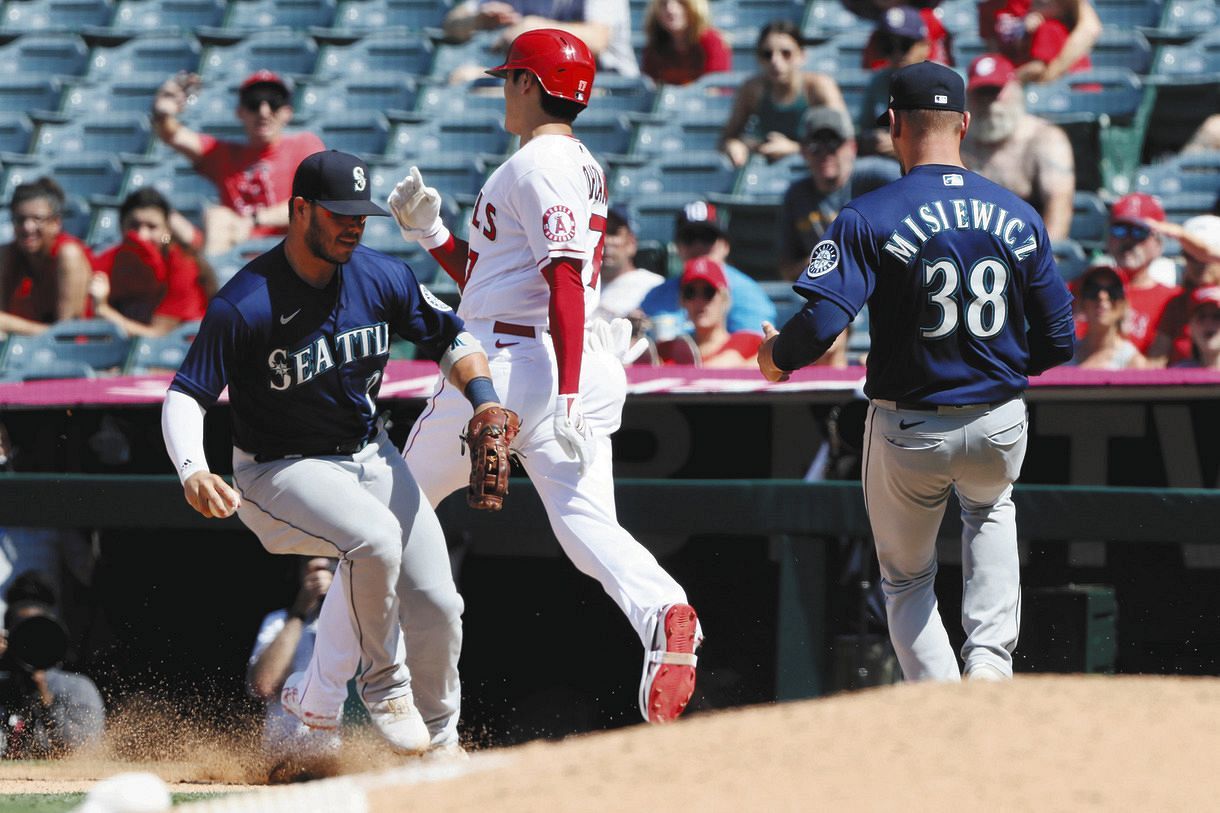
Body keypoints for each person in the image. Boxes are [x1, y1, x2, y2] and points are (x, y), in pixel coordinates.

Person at [387, 29, 703, 724]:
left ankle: (322, 697)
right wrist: (434, 235)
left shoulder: (538, 165)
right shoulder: (580, 164)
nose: (505, 88)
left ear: (530, 85)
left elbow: (561, 280)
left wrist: (559, 393)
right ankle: (666, 609)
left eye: (510, 78)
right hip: (566, 356)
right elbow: (504, 280)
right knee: (586, 523)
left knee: (386, 511)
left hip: (517, 363)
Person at [161, 149, 509, 754]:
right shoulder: (246, 301)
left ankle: (441, 744)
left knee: (440, 603)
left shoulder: (380, 276)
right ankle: (382, 682)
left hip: (368, 454)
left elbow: (450, 334)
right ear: (299, 210)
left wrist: (483, 399)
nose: (354, 225)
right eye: (338, 213)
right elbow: (187, 394)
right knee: (372, 540)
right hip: (277, 470)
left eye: (361, 215)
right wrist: (192, 468)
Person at [757, 62, 1075, 681]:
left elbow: (821, 327)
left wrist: (775, 359)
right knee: (991, 510)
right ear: (963, 123)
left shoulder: (867, 215)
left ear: (896, 126)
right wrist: (1002, 369)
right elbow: (1059, 340)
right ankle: (989, 671)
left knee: (906, 579)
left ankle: (944, 708)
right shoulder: (1018, 213)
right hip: (998, 419)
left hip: (910, 426)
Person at [151, 70, 326, 257]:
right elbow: (173, 135)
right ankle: (219, 279)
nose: (263, 112)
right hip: (237, 257)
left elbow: (315, 203)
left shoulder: (304, 144)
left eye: (273, 102)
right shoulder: (225, 155)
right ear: (240, 112)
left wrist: (254, 220)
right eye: (254, 102)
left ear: (287, 112)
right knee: (216, 216)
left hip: (290, 256)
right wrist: (162, 114)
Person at [959, 54, 1074, 242]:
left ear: (1016, 90)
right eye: (981, 93)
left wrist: (1041, 266)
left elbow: (1059, 211)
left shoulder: (1044, 139)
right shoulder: (958, 141)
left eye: (995, 92)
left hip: (1027, 255)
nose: (990, 104)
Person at [779, 106, 901, 281]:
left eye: (833, 143)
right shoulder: (797, 195)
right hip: (824, 288)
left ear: (852, 147)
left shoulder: (877, 177)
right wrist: (821, 263)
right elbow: (787, 269)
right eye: (815, 145)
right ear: (803, 151)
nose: (825, 154)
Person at [638, 200, 777, 339]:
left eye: (707, 237)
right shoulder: (658, 294)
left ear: (725, 246)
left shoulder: (748, 293)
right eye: (689, 238)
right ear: (677, 247)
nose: (698, 246)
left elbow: (753, 349)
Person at [719, 20, 846, 168]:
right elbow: (726, 138)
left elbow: (844, 141)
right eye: (767, 54)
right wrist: (734, 145)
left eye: (786, 53)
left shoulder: (818, 87)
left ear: (802, 55)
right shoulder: (752, 89)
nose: (775, 61)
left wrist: (795, 149)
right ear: (759, 59)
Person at [89, 187, 213, 338]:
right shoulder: (110, 261)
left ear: (167, 230)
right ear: (122, 227)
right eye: (134, 225)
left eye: (152, 227)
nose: (142, 235)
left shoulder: (184, 265)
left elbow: (159, 336)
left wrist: (104, 310)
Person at [246, 557, 336, 756]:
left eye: (328, 565)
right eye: (310, 565)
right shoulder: (278, 620)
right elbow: (263, 685)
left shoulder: (359, 623)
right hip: (282, 762)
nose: (319, 574)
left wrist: (339, 599)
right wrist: (301, 610)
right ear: (299, 570)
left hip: (343, 763)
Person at [0, 597, 105, 758]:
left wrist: (47, 704)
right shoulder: (4, 687)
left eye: (37, 635)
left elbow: (83, 750)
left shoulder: (77, 687)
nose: (30, 644)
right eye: (22, 637)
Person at [443, 0, 638, 78]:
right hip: (537, 80)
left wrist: (533, 28)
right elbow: (451, 24)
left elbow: (597, 39)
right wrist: (476, 20)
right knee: (463, 77)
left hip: (607, 85)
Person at [0, 177, 93, 326]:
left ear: (56, 223)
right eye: (20, 219)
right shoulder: (8, 254)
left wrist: (7, 324)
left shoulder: (69, 255)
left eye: (37, 219)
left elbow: (65, 335)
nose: (27, 227)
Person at [1102, 193, 1180, 354]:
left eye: (1140, 231)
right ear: (1108, 238)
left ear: (1158, 243)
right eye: (1120, 229)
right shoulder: (1084, 291)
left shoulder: (1174, 301)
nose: (1128, 240)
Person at [1146, 215, 1220, 367]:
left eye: (1203, 256)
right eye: (1190, 255)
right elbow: (1156, 362)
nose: (1199, 263)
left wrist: (1180, 234)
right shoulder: (1177, 304)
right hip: (1183, 387)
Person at [979, 0, 1100, 84]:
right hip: (1025, 83)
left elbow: (1090, 28)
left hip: (1062, 81)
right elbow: (996, 55)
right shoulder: (988, 8)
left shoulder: (1045, 12)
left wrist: (1048, 77)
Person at [672, 256, 762, 367]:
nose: (699, 301)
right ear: (682, 301)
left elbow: (777, 365)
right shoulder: (672, 352)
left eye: (708, 292)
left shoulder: (749, 342)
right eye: (690, 292)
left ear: (725, 298)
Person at [593, 205, 664, 323]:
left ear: (631, 242)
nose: (604, 240)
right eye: (598, 231)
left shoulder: (655, 287)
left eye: (613, 232)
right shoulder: (580, 285)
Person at [1069, 265, 1146, 369]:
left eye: (1113, 291)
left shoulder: (1133, 363)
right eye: (1092, 290)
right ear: (1081, 302)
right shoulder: (1061, 356)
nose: (1102, 296)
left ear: (1124, 305)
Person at [640, 0, 731, 87]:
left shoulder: (712, 42)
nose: (670, 9)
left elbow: (715, 90)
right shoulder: (655, 46)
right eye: (664, 3)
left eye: (681, 3)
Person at [1174, 285, 1220, 369]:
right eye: (1201, 317)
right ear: (1191, 328)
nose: (1208, 323)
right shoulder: (1178, 374)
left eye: (1217, 317)